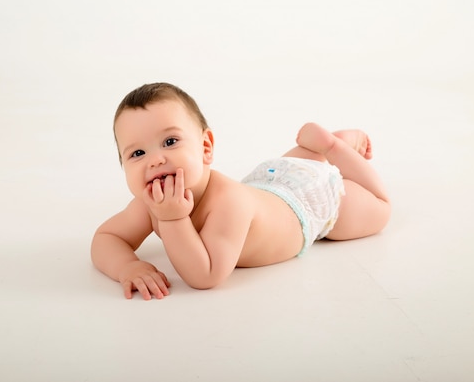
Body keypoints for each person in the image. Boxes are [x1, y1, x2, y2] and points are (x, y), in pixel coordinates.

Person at [91, 82, 391, 300]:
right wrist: (127, 267)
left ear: (205, 147)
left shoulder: (228, 201)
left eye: (170, 142)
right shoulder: (146, 204)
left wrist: (172, 220)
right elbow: (106, 238)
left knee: (380, 209)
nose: (155, 159)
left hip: (308, 204)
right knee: (297, 168)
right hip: (271, 179)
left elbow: (206, 275)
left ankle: (332, 147)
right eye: (137, 153)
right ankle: (315, 149)